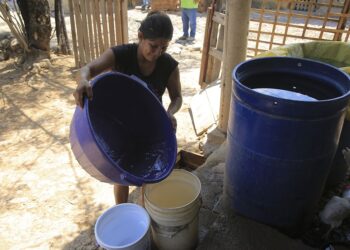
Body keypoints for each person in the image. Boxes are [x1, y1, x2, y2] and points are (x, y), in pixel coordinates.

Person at [73, 11, 182, 204]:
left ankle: (145, 210)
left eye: (163, 48)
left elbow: (177, 97)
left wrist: (169, 113)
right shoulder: (121, 54)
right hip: (120, 123)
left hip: (150, 125)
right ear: (140, 37)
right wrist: (82, 80)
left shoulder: (169, 66)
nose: (157, 53)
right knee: (121, 173)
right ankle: (122, 210)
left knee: (148, 174)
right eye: (153, 46)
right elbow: (86, 70)